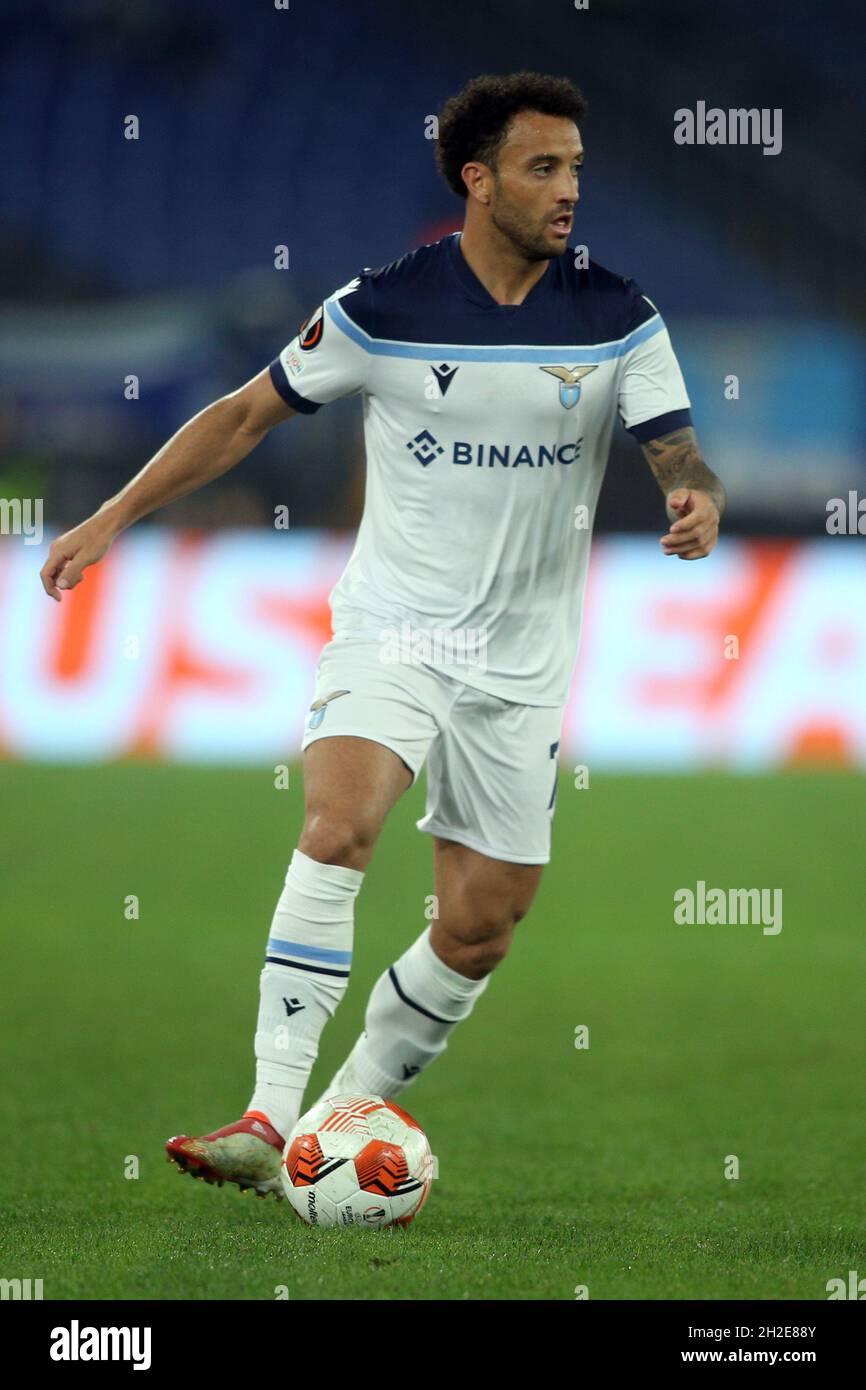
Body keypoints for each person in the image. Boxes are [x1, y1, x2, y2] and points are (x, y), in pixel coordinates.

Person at [40, 72, 724, 1197]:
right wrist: (116, 513)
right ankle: (268, 1111)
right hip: (393, 631)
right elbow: (245, 413)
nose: (568, 192)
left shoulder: (617, 313)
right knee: (341, 819)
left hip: (521, 665)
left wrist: (692, 495)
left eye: (577, 171)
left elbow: (674, 448)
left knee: (480, 925)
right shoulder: (384, 306)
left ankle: (339, 1109)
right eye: (543, 168)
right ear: (477, 178)